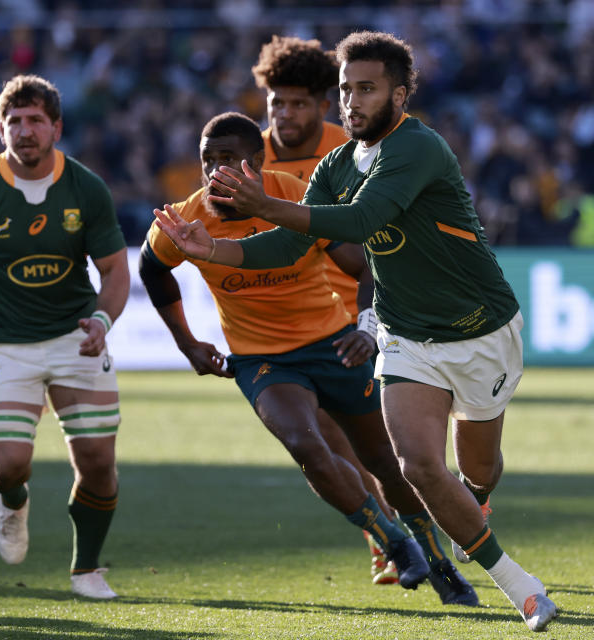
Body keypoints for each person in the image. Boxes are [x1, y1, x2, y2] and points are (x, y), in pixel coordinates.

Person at [153, 32, 558, 632]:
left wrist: (260, 204)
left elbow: (361, 220)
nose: (353, 101)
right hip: (405, 334)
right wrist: (212, 248)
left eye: (366, 89)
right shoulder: (338, 164)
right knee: (416, 465)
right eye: (346, 90)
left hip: (480, 330)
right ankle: (519, 587)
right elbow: (295, 243)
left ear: (400, 93)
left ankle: (474, 501)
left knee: (479, 470)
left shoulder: (417, 148)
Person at [141, 112, 479, 604]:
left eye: (229, 159)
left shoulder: (298, 196)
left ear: (257, 162)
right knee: (306, 443)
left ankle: (441, 563)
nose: (216, 170)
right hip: (263, 360)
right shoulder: (186, 219)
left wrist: (367, 327)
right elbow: (153, 270)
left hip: (333, 343)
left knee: (386, 462)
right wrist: (187, 342)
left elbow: (365, 266)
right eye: (208, 160)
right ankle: (392, 541)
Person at [0, 74, 129, 600]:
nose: (25, 129)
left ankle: (87, 570)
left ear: (56, 127)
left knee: (99, 463)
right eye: (14, 120)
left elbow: (114, 269)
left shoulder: (86, 188)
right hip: (5, 343)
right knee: (8, 465)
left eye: (36, 119)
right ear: (0, 129)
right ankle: (13, 501)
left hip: (75, 337)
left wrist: (102, 322)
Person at [252, 33, 398, 586]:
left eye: (299, 103)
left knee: (396, 442)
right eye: (278, 103)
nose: (286, 115)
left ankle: (447, 512)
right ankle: (386, 538)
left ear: (322, 103)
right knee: (336, 435)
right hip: (308, 317)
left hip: (371, 303)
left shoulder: (352, 147)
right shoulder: (251, 154)